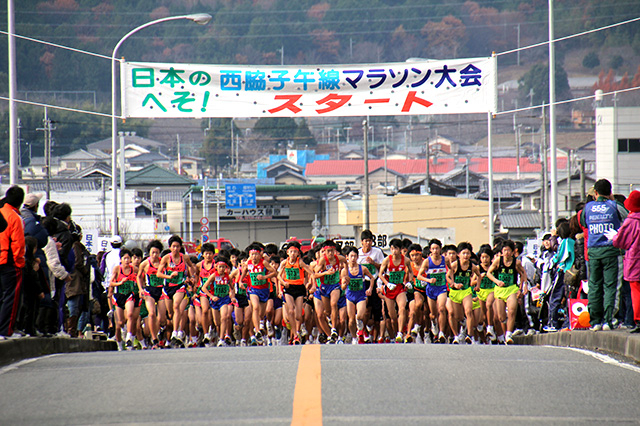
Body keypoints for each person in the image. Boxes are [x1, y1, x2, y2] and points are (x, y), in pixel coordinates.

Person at [580, 179, 628, 330]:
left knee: (594, 285)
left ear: (595, 193)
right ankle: (609, 320)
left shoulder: (587, 208)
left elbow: (584, 222)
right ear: (610, 192)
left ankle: (595, 321)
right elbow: (628, 219)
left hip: (593, 251)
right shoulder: (615, 206)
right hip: (612, 252)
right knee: (611, 285)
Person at [609, 190, 640, 332]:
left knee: (635, 291)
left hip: (635, 261)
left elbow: (621, 241)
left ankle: (638, 319)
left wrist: (614, 237)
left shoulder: (631, 220)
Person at [157, 235, 196, 346]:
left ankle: (175, 332)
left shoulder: (185, 258)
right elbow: (158, 273)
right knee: (170, 313)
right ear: (170, 247)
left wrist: (192, 277)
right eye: (173, 246)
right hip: (169, 286)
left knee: (176, 306)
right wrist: (169, 276)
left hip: (180, 286)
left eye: (177, 246)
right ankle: (172, 329)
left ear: (180, 247)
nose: (175, 249)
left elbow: (191, 267)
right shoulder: (166, 258)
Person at [487, 240, 528, 344]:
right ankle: (504, 328)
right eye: (504, 250)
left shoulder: (516, 262)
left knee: (512, 310)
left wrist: (522, 287)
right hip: (500, 290)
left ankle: (508, 335)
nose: (507, 253)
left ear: (513, 252)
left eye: (509, 250)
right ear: (501, 251)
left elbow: (523, 273)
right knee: (501, 317)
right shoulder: (497, 261)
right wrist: (497, 281)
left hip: (511, 289)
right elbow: (489, 273)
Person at [0, 186, 25, 338]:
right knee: (11, 297)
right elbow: (18, 244)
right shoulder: (13, 217)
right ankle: (6, 330)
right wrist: (19, 263)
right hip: (9, 261)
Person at [278, 242, 313, 344]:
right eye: (291, 252)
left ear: (298, 253)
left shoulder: (300, 263)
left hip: (299, 288)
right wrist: (284, 282)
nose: (292, 254)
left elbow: (311, 272)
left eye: (295, 252)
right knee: (290, 311)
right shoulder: (284, 263)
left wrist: (312, 283)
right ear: (287, 253)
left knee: (298, 315)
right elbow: (278, 276)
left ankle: (298, 329)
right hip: (288, 288)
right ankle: (295, 335)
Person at [378, 238, 413, 343]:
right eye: (392, 249)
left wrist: (409, 282)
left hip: (400, 288)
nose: (394, 251)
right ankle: (394, 332)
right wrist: (387, 284)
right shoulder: (387, 260)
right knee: (392, 316)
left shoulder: (405, 260)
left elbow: (410, 272)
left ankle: (400, 333)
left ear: (400, 249)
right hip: (389, 290)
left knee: (402, 309)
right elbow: (380, 274)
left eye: (396, 249)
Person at [446, 242, 480, 344]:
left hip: (466, 291)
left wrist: (477, 286)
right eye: (463, 253)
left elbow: (479, 275)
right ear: (459, 254)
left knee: (469, 311)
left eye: (468, 253)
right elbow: (447, 276)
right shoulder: (455, 265)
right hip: (455, 292)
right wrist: (454, 284)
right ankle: (457, 334)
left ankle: (470, 335)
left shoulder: (472, 266)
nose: (466, 255)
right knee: (458, 316)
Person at [341, 246, 374, 344]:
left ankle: (360, 326)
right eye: (351, 256)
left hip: (361, 296)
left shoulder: (363, 269)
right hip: (350, 296)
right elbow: (342, 287)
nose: (353, 258)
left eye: (355, 256)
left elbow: (372, 278)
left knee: (359, 315)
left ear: (358, 257)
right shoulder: (344, 271)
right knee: (351, 320)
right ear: (347, 257)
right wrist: (345, 283)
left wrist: (370, 288)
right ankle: (354, 337)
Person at [417, 239, 448, 343]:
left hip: (442, 288)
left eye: (437, 248)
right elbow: (419, 276)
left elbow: (451, 270)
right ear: (430, 250)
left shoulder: (445, 260)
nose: (435, 251)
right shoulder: (427, 261)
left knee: (442, 309)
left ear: (440, 249)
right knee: (433, 314)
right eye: (433, 249)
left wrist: (450, 280)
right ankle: (434, 323)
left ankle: (441, 333)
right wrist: (428, 280)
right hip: (431, 289)